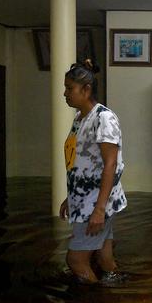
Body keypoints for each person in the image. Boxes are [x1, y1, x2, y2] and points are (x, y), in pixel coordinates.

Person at [59, 59, 127, 285]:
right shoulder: (80, 119)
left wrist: (98, 210)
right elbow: (80, 162)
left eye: (70, 88)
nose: (65, 93)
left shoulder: (104, 119)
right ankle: (114, 297)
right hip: (85, 200)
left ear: (86, 90)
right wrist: (70, 198)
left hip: (96, 204)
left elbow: (111, 164)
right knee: (104, 258)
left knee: (76, 260)